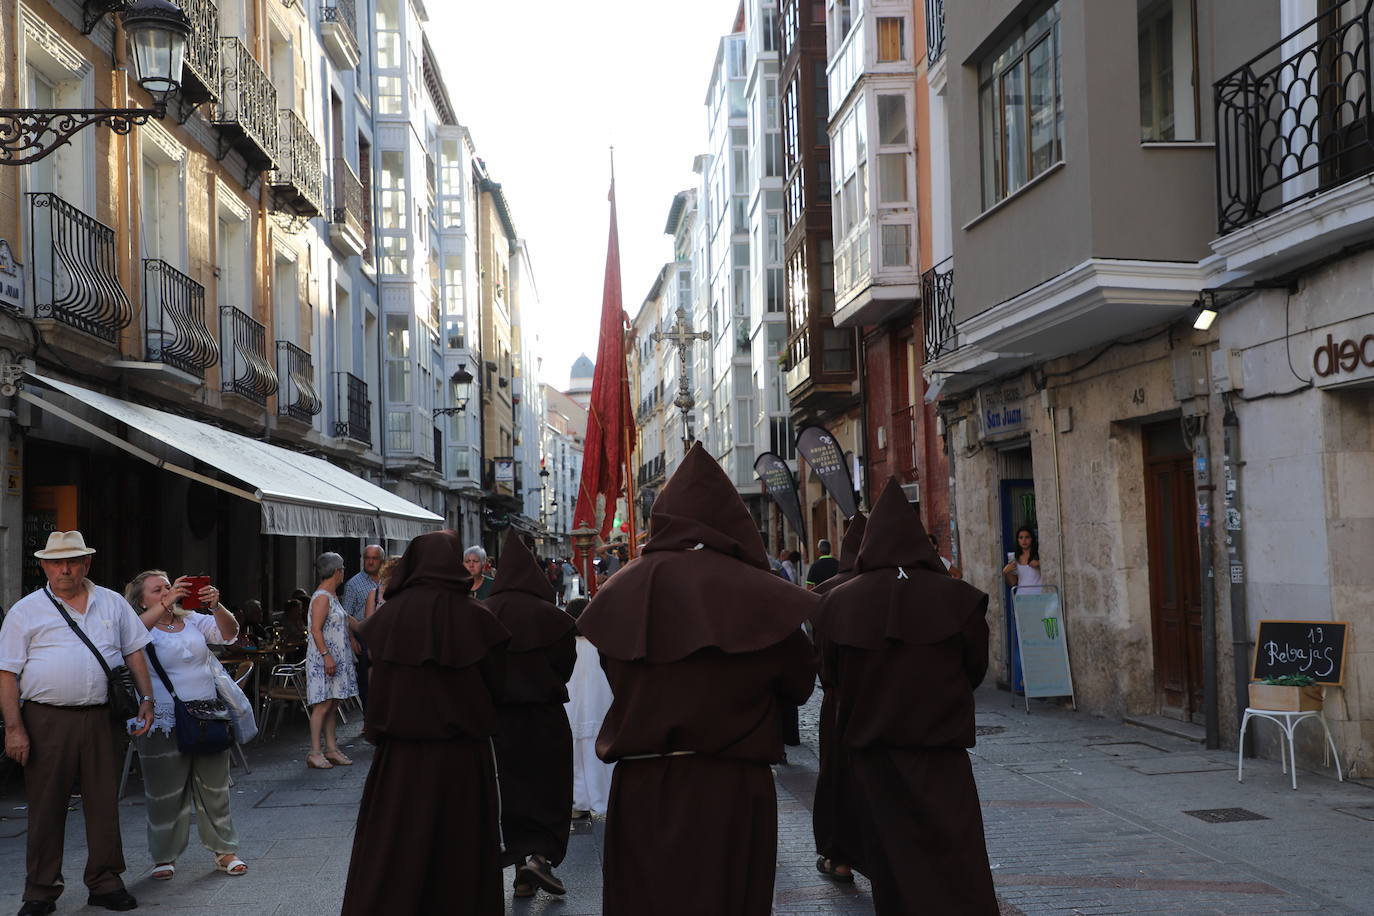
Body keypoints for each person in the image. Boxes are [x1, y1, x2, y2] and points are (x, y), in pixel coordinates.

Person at [578, 443, 818, 916]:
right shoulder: (763, 593)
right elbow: (798, 686)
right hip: (731, 791)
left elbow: (615, 668)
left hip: (644, 788)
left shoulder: (621, 588)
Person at [813, 479, 998, 914]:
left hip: (875, 754)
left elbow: (831, 675)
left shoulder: (838, 604)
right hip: (940, 751)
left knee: (894, 865)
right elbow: (974, 668)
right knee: (956, 857)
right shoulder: (959, 600)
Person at [340, 530, 511, 916]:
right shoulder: (477, 618)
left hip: (402, 760)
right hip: (463, 758)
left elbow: (376, 687)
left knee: (398, 849)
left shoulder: (389, 618)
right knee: (461, 852)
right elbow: (495, 686)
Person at [0, 531, 156, 915]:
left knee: (104, 802)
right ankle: (40, 890)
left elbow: (134, 652)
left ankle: (105, 882)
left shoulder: (113, 602)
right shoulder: (26, 610)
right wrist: (14, 728)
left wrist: (147, 698)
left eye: (73, 561)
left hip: (102, 717)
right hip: (46, 718)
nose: (65, 569)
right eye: (57, 562)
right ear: (45, 566)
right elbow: (7, 673)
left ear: (87, 563)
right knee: (46, 805)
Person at [124, 570, 246, 881]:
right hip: (162, 718)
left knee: (215, 787)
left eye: (168, 587)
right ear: (140, 601)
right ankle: (164, 856)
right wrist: (164, 605)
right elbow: (129, 639)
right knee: (165, 790)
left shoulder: (191, 619)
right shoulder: (139, 626)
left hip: (205, 715)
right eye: (157, 590)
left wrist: (217, 606)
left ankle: (225, 851)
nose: (166, 592)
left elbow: (230, 634)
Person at [483, 533, 577, 898]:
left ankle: (522, 868)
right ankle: (540, 857)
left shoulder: (485, 614)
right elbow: (564, 668)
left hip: (499, 721)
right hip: (545, 718)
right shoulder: (555, 619)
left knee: (511, 792)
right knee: (549, 790)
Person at [810, 512, 867, 884]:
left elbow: (822, 661)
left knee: (837, 780)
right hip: (891, 704)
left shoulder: (829, 594)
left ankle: (838, 855)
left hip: (841, 702)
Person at [304, 553, 361, 770]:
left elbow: (346, 620)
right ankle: (315, 751)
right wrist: (326, 655)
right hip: (324, 659)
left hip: (337, 658)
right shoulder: (321, 597)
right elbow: (316, 629)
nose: (344, 572)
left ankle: (331, 748)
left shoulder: (333, 596)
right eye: (343, 568)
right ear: (337, 571)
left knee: (334, 702)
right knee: (322, 704)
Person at [564, 598, 614, 817]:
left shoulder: (564, 643)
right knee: (597, 756)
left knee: (575, 755)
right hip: (599, 704)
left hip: (572, 706)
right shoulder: (604, 642)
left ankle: (577, 801)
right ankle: (601, 799)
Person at [341, 545, 384, 706]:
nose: (370, 562)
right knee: (365, 679)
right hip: (363, 636)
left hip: (383, 636)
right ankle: (368, 718)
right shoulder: (353, 584)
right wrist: (352, 639)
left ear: (381, 561)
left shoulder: (387, 581)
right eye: (367, 558)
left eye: (374, 558)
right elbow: (345, 614)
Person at [1002, 526, 1043, 594]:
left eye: (1027, 537)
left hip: (1039, 596)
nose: (1024, 540)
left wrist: (1039, 563)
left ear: (1032, 539)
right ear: (1017, 540)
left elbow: (1050, 568)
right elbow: (1013, 583)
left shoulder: (1039, 555)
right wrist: (1007, 572)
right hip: (1021, 597)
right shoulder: (1014, 558)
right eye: (1021, 537)